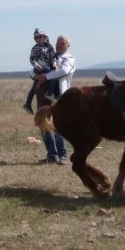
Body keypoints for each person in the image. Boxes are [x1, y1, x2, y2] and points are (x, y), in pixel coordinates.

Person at [35, 35, 76, 164]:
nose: (59, 46)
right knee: (43, 125)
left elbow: (64, 70)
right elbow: (33, 70)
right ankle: (52, 156)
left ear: (67, 45)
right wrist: (37, 76)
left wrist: (45, 76)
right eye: (58, 43)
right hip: (44, 96)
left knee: (58, 126)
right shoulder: (49, 55)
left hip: (60, 97)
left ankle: (62, 155)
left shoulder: (70, 59)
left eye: (62, 44)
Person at [22, 28, 57, 114]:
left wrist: (55, 63)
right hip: (39, 67)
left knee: (35, 85)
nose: (38, 39)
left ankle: (28, 104)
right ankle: (49, 93)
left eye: (40, 37)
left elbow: (53, 57)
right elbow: (31, 59)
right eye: (36, 38)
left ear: (44, 37)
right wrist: (36, 65)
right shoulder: (35, 48)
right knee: (54, 75)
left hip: (48, 66)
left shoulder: (49, 46)